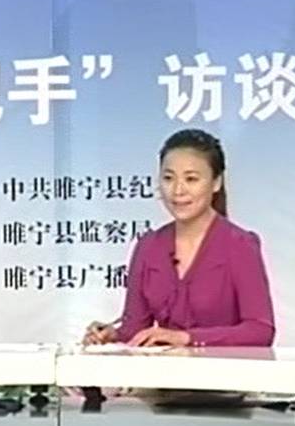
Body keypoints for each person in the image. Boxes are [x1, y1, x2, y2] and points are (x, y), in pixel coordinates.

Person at [85, 129, 274, 347]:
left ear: (216, 182)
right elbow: (135, 329)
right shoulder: (148, 246)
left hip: (223, 368)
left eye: (191, 179)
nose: (177, 190)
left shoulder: (239, 245)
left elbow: (261, 331)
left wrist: (187, 338)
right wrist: (111, 335)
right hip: (165, 369)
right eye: (168, 178)